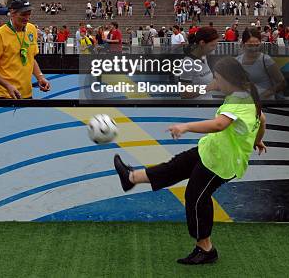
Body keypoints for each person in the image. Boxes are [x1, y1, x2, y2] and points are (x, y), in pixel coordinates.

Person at [114, 57, 267, 266]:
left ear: (228, 79)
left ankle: (206, 248)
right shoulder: (245, 93)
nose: (216, 82)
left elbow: (219, 124)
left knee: (196, 197)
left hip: (222, 162)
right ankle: (131, 177)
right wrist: (258, 141)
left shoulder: (238, 100)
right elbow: (262, 119)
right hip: (211, 149)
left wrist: (185, 126)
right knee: (175, 167)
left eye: (217, 78)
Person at [0, 0, 51, 99]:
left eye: (29, 14)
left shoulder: (32, 29)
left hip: (26, 95)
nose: (27, 18)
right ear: (12, 13)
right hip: (5, 95)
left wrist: (40, 77)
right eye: (23, 14)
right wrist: (7, 86)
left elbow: (30, 58)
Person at [236, 28, 286, 98]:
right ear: (243, 44)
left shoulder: (266, 60)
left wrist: (264, 95)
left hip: (264, 104)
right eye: (250, 45)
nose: (253, 49)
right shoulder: (237, 61)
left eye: (256, 45)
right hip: (245, 103)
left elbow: (282, 83)